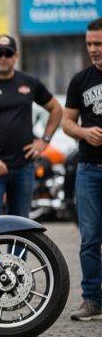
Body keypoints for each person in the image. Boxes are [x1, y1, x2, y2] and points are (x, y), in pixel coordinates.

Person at [0, 35, 63, 219]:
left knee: (21, 223)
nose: (3, 58)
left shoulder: (29, 83)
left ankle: (17, 242)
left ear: (16, 56)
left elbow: (56, 109)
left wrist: (44, 141)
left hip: (24, 166)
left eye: (8, 54)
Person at [63, 18, 102, 321]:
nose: (93, 49)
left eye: (98, 43)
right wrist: (84, 133)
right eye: (89, 44)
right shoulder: (80, 80)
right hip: (89, 169)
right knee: (90, 238)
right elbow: (67, 122)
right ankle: (92, 300)